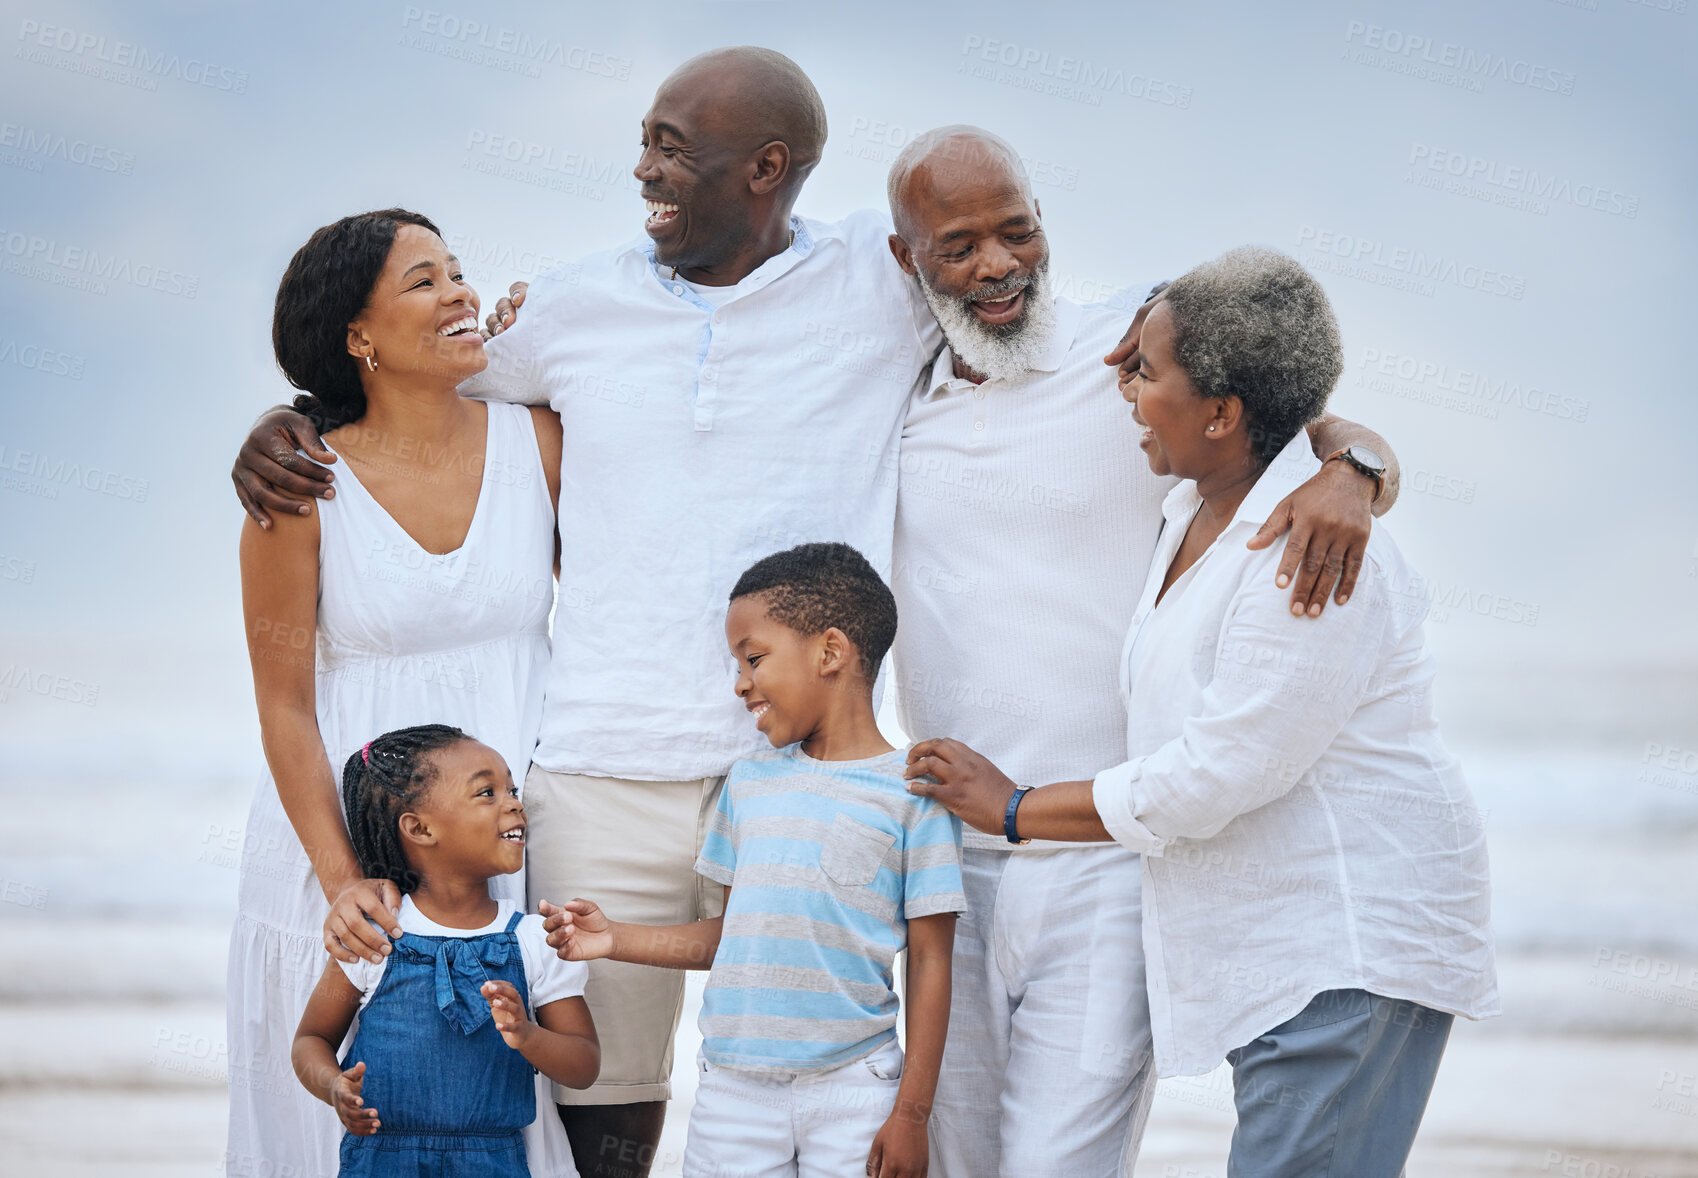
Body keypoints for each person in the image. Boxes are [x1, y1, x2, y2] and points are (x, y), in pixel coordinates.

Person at [227, 51, 1382, 1177]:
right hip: (596, 765)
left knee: (811, 1082)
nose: (643, 172)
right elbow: (410, 387)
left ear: (766, 168)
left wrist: (1355, 464)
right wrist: (290, 423)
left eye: (672, 151)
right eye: (645, 144)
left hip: (805, 775)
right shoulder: (573, 308)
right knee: (599, 1100)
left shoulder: (912, 292)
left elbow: (1250, 379)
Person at [904, 246, 1498, 1177]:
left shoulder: (1306, 560)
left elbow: (1218, 775)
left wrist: (1013, 808)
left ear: (1222, 414)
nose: (1126, 393)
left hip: (1347, 941)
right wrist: (1355, 459)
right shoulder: (1193, 507)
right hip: (1278, 951)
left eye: (1147, 373)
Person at [228, 209, 569, 1178]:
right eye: (424, 280)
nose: (460, 290)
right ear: (358, 337)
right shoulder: (301, 488)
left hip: (496, 844)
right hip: (343, 859)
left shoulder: (540, 443)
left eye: (459, 269)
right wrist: (346, 885)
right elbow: (284, 705)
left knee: (501, 1118)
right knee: (348, 1124)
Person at [547, 543, 964, 1178]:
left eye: (754, 658)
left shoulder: (915, 796)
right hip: (733, 1093)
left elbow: (932, 962)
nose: (740, 682)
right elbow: (729, 936)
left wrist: (910, 1114)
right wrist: (614, 940)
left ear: (829, 652)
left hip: (856, 1087)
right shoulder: (749, 783)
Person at [293, 725, 600, 1178]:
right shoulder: (374, 935)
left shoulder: (534, 940)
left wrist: (527, 1036)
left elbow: (584, 1064)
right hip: (381, 1161)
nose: (514, 803)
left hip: (495, 1164)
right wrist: (334, 1087)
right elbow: (311, 1041)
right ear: (420, 828)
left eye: (511, 789)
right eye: (487, 793)